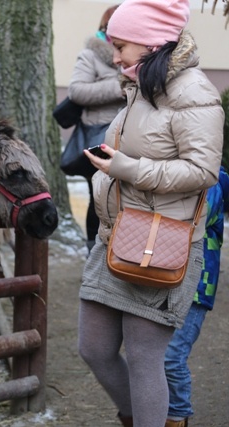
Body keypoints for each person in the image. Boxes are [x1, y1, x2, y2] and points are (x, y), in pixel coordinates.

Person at [79, 0, 225, 426]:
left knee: (145, 360)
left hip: (159, 245)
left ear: (149, 43)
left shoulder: (194, 93)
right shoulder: (143, 85)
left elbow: (203, 171)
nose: (114, 54)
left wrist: (127, 169)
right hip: (115, 238)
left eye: (120, 44)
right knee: (94, 348)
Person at [164, 166, 229, 427]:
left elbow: (192, 220)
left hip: (197, 286)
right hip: (165, 279)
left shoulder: (210, 180)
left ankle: (177, 417)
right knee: (152, 356)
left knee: (171, 356)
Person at [67, 4, 126, 254]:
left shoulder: (139, 52)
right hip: (99, 137)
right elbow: (76, 91)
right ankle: (94, 249)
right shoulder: (91, 55)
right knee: (99, 195)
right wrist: (120, 86)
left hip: (128, 138)